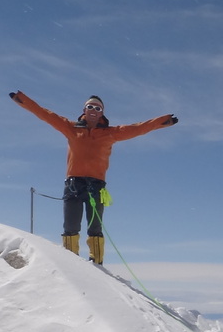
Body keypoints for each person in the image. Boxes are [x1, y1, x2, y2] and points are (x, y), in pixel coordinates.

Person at [10, 90, 178, 264]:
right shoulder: (71, 128)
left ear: (101, 113)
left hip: (96, 186)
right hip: (73, 185)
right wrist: (22, 100)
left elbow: (138, 128)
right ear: (84, 110)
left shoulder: (111, 133)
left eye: (97, 108)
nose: (93, 110)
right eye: (90, 106)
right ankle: (70, 261)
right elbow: (45, 114)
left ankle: (96, 263)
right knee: (70, 227)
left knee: (95, 227)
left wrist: (162, 121)